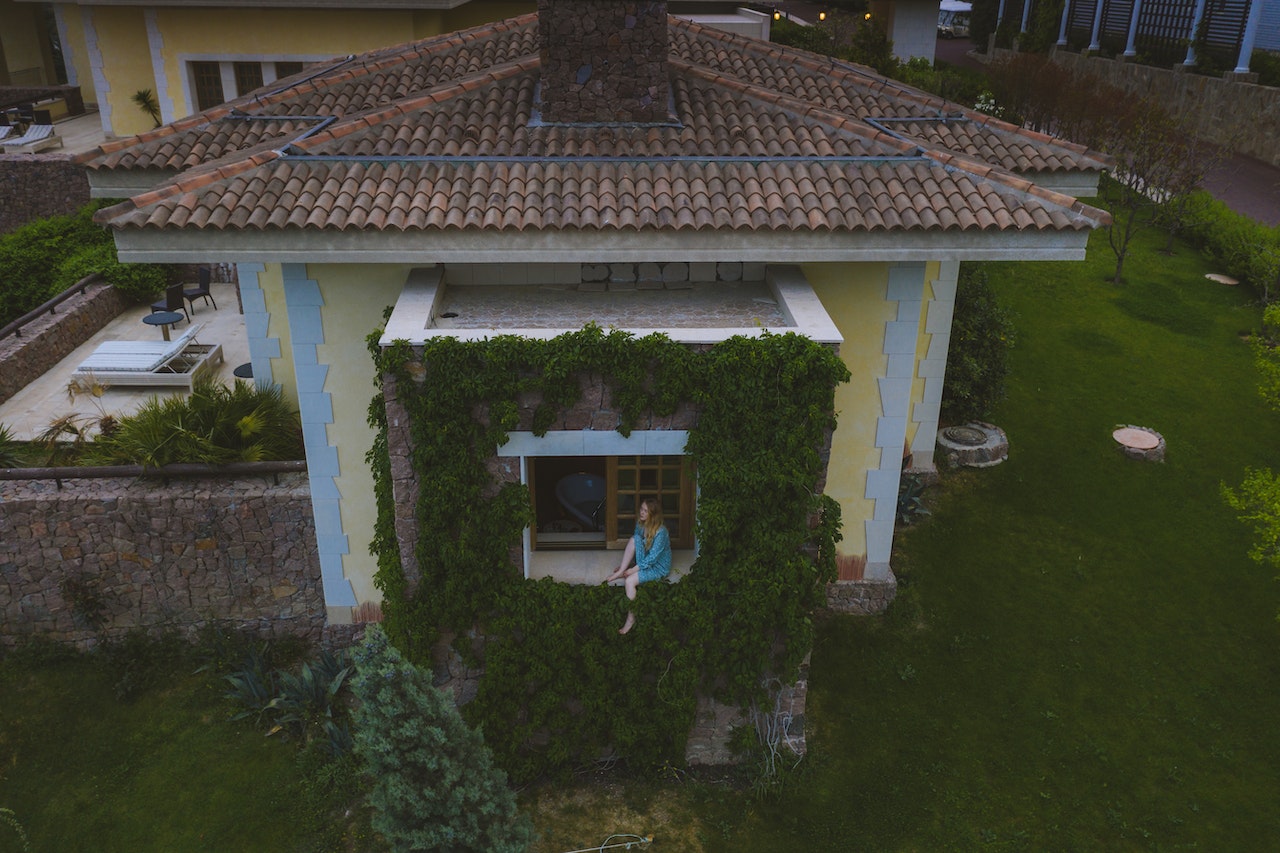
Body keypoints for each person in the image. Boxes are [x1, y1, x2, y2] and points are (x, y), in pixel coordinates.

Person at [603, 497, 671, 634]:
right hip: (645, 561)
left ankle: (631, 619)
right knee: (634, 539)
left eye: (645, 511)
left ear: (653, 514)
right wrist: (629, 566)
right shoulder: (641, 524)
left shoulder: (661, 532)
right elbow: (636, 546)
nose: (642, 512)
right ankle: (621, 570)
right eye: (641, 509)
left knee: (629, 581)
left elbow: (653, 558)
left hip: (658, 566)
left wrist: (633, 570)